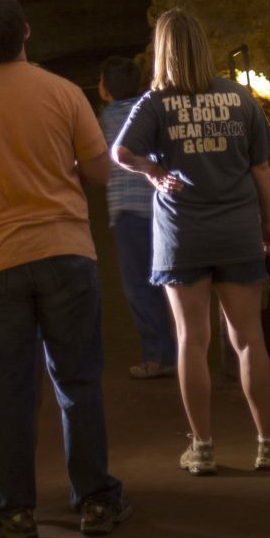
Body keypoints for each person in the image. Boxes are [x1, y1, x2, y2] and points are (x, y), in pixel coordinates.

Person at [0, 0, 128, 538]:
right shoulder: (64, 93)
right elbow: (98, 173)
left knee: (12, 392)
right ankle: (94, 500)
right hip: (64, 250)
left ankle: (15, 509)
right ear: (28, 33)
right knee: (79, 381)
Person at [112, 8, 270, 476]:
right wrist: (267, 224)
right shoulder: (239, 99)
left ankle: (203, 448)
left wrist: (154, 172)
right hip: (237, 231)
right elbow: (260, 169)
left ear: (162, 52)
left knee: (192, 341)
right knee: (250, 339)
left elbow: (121, 152)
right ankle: (268, 445)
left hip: (183, 236)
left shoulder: (155, 102)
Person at [97, 56, 176, 381]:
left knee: (138, 286)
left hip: (128, 212)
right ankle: (182, 350)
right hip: (161, 206)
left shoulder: (106, 117)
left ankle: (157, 357)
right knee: (168, 279)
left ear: (105, 90)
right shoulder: (151, 108)